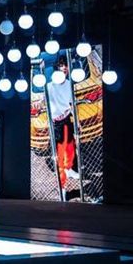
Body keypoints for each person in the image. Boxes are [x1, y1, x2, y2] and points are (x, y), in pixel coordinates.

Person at [46, 56, 79, 197]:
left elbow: (72, 104)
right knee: (59, 154)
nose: (64, 67)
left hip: (67, 119)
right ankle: (63, 187)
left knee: (70, 147)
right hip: (56, 123)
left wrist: (76, 121)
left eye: (66, 65)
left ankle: (69, 169)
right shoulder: (49, 86)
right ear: (56, 68)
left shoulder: (69, 84)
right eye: (61, 65)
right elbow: (42, 102)